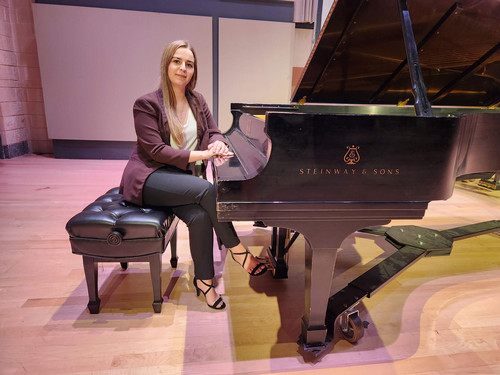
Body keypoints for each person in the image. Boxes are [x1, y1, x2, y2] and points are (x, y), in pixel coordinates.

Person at [119, 40, 267, 310]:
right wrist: (204, 155)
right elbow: (157, 151)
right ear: (166, 64)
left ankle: (205, 282)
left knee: (200, 217)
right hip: (150, 178)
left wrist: (218, 143)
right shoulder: (146, 104)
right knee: (208, 190)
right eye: (177, 61)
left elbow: (213, 131)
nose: (183, 68)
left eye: (189, 64)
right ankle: (238, 251)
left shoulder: (197, 100)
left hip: (181, 181)